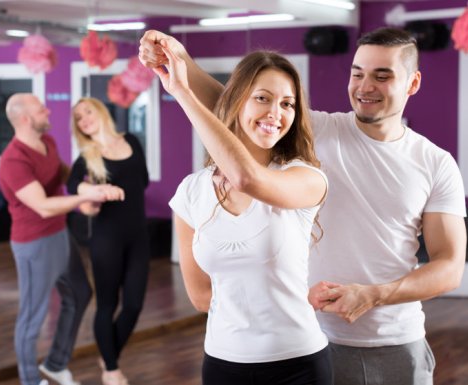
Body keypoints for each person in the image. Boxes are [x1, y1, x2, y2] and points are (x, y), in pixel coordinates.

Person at [139, 27, 467, 385]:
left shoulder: (436, 163)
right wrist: (180, 60)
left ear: (413, 83)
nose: (365, 86)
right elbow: (235, 105)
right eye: (357, 73)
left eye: (382, 75)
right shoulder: (322, 130)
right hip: (314, 336)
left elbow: (449, 268)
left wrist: (373, 295)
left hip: (395, 342)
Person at [156, 43, 332, 384]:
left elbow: (247, 178)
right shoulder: (191, 193)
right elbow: (201, 297)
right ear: (236, 100)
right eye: (262, 98)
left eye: (287, 104)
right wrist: (175, 54)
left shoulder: (307, 178)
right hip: (223, 363)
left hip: (298, 364)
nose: (275, 113)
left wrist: (182, 91)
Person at [0, 93, 125, 385]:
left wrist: (86, 190)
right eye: (41, 109)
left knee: (80, 293)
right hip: (33, 243)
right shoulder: (13, 160)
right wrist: (85, 197)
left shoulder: (48, 143)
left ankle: (56, 363)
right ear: (26, 119)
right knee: (32, 316)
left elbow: (64, 176)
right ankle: (30, 380)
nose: (49, 111)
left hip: (58, 234)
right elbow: (42, 205)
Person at [66, 97, 150, 385]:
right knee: (107, 304)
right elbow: (73, 184)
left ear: (100, 111)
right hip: (106, 239)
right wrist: (93, 191)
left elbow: (144, 181)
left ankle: (108, 351)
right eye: (78, 117)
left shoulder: (132, 141)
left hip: (139, 236)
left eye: (88, 111)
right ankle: (111, 369)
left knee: (135, 305)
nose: (84, 119)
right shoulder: (88, 155)